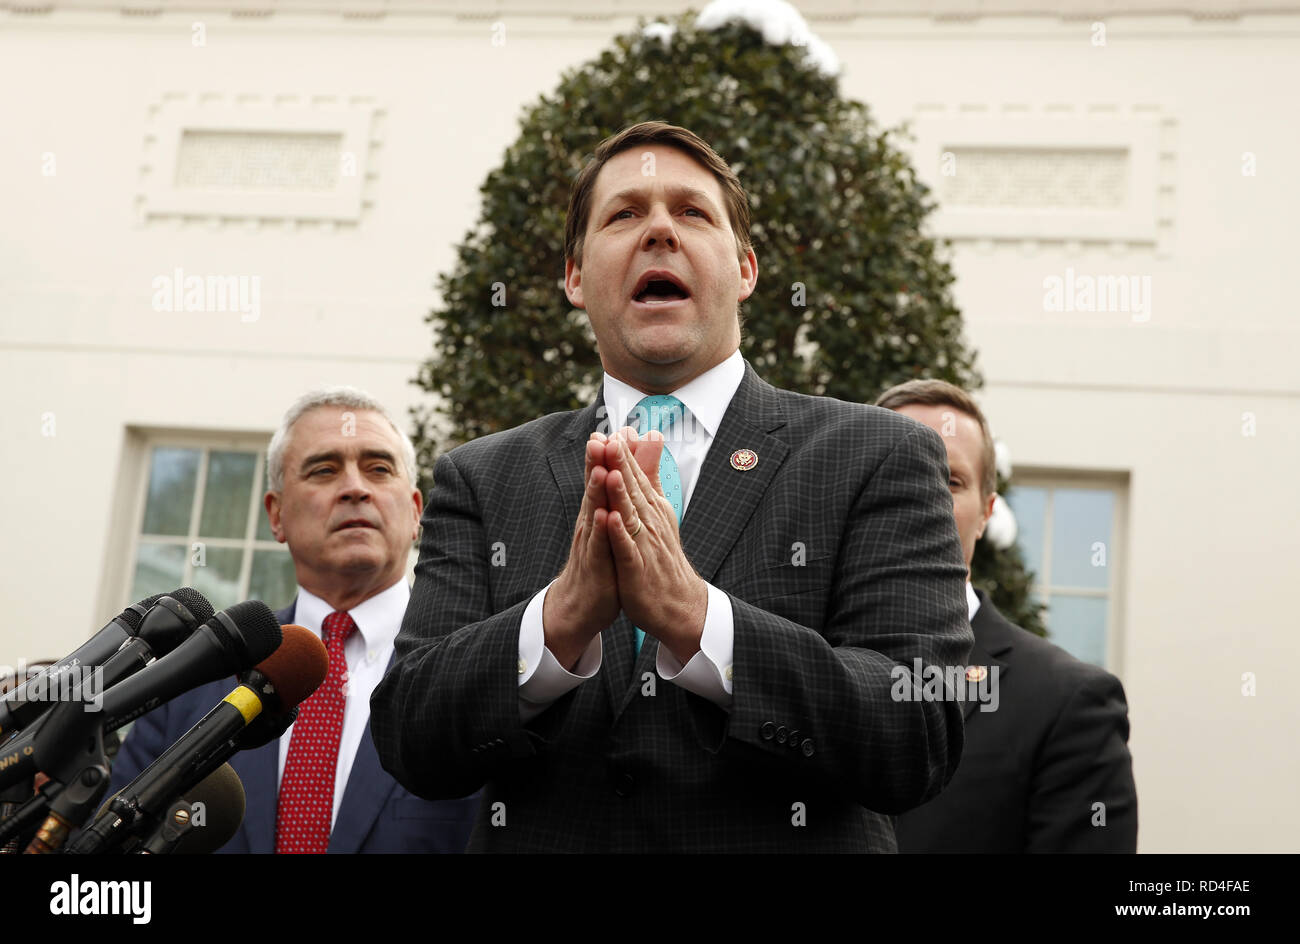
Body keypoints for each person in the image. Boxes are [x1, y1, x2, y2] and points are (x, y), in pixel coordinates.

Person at [370, 122, 973, 853]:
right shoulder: (484, 476)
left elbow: (919, 729)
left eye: (692, 211)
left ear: (745, 268)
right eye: (624, 214)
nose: (659, 229)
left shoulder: (879, 455)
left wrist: (699, 620)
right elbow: (408, 734)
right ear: (575, 278)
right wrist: (557, 623)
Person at [109, 388, 479, 853]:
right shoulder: (192, 678)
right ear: (276, 514)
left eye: (379, 468)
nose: (355, 487)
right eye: (324, 469)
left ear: (416, 511)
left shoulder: (474, 672)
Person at [878, 379, 1138, 853]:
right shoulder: (783, 667)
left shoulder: (1068, 703)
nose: (925, 497)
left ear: (985, 512)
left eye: (951, 481)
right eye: (900, 473)